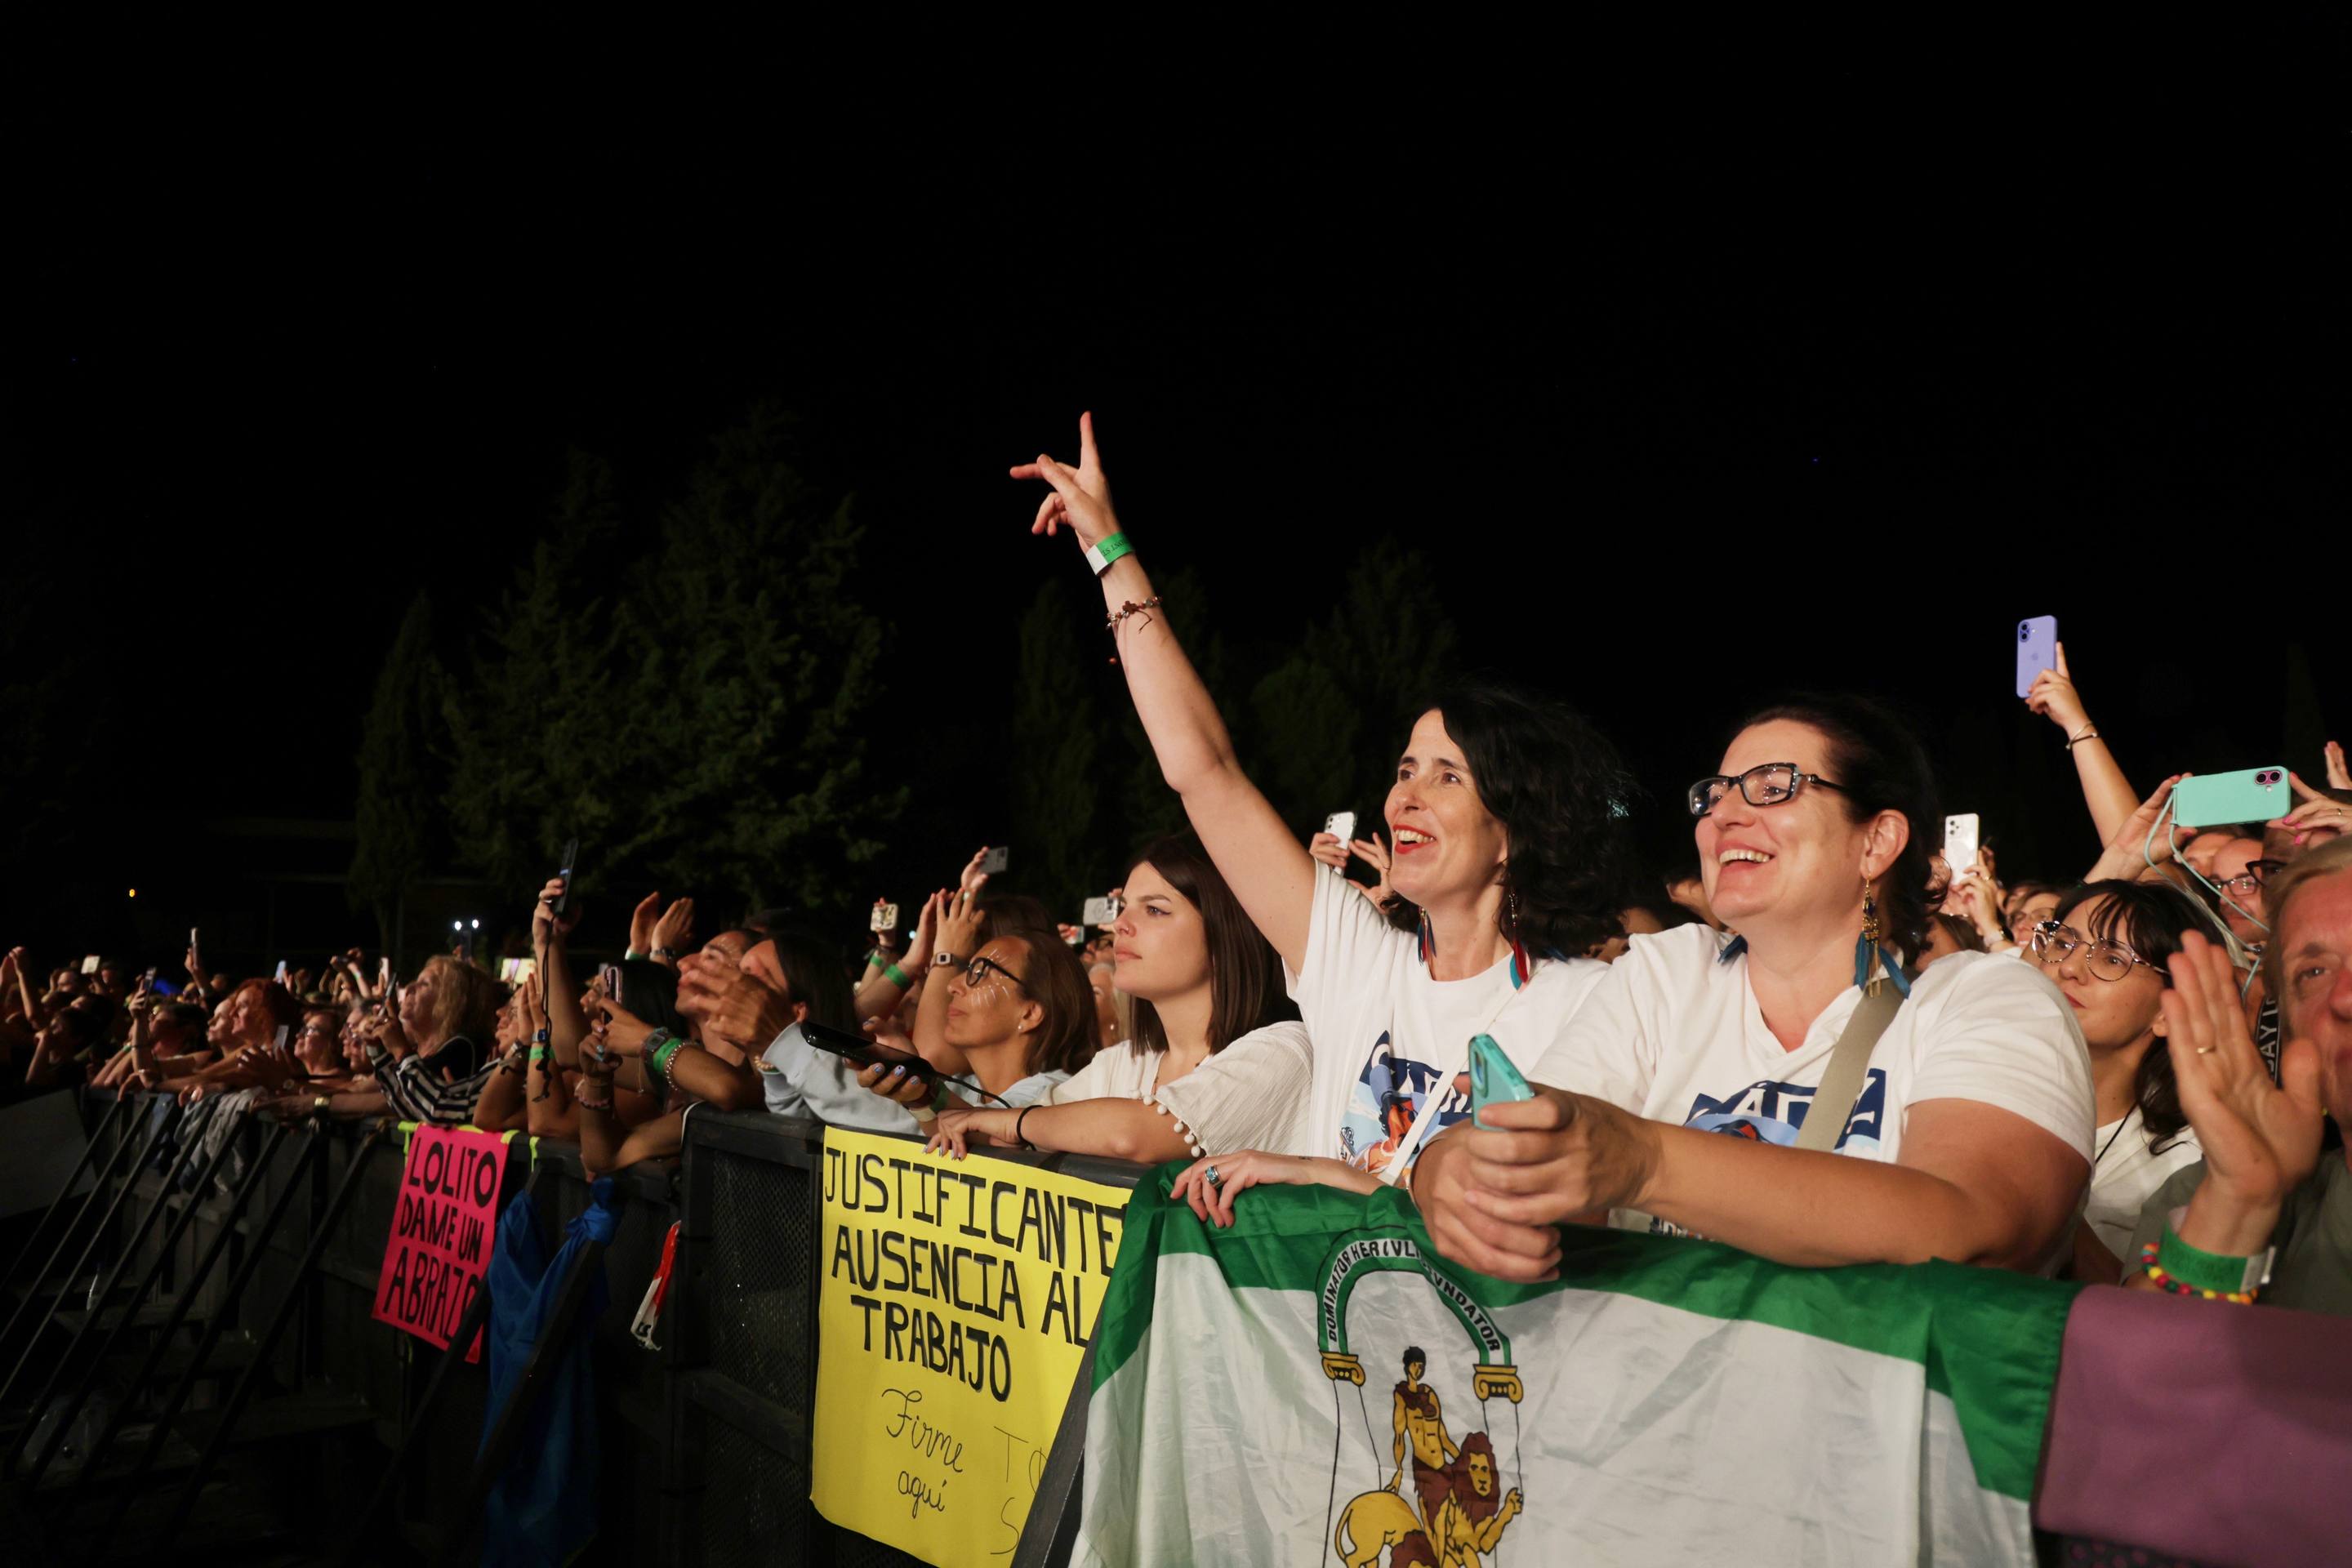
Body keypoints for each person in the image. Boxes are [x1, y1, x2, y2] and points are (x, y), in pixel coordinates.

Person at [1013, 414, 1634, 1223]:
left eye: (1447, 776)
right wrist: (1110, 555)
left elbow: (1551, 1221)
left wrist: (1336, 1179)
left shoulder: (1590, 1002)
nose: (1405, 796)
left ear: (1514, 830)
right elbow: (1206, 774)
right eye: (1405, 769)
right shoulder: (1359, 964)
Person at [1415, 693, 2096, 1276]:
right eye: (1715, 794)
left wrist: (1644, 1161)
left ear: (1877, 841)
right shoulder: (1669, 976)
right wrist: (1448, 1170)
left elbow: (1970, 1231)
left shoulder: (1988, 1001)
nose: (1723, 815)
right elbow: (1554, 1158)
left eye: (1774, 785)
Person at [916, 835, 1311, 1163]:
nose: (1120, 924)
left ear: (1225, 935)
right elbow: (998, 1136)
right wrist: (916, 1092)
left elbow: (1137, 1134)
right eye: (1124, 908)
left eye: (1155, 910)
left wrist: (1014, 1124)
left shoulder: (1283, 1051)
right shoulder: (1124, 1063)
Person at [2127, 835, 2352, 1314]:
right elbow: (2132, 1381)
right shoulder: (2202, 1197)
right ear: (2288, 1022)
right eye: (2313, 972)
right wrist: (2238, 1209)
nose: (2346, 997)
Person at [2026, 882, 2204, 1281]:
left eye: (2111, 959)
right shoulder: (1986, 1085)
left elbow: (2143, 1314)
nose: (2069, 968)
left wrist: (2046, 1195)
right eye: (2063, 943)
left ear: (2167, 1010)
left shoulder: (2186, 1159)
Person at [854, 894, 1090, 1119]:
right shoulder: (967, 1090)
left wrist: (922, 1095)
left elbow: (993, 1134)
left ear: (1030, 1013)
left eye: (978, 973)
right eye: (965, 968)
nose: (952, 985)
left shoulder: (1053, 1096)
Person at [332, 956, 501, 1125]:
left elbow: (406, 1102)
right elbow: (373, 1090)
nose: (411, 987)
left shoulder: (462, 1047)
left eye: (425, 984)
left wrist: (319, 1104)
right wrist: (377, 1047)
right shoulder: (417, 1050)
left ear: (455, 1001)